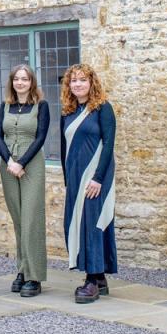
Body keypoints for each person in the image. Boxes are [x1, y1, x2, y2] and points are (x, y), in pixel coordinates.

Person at [59, 63, 116, 303]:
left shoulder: (103, 109)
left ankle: (91, 281)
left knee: (92, 225)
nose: (78, 84)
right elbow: (64, 149)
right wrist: (67, 180)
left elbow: (109, 144)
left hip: (95, 178)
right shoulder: (68, 111)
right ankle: (100, 277)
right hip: (75, 178)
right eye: (73, 81)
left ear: (91, 83)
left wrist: (98, 179)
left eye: (82, 80)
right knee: (75, 224)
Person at [0, 64, 50, 297]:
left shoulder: (41, 106)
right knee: (18, 219)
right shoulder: (6, 105)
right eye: (17, 79)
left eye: (25, 79)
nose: (20, 83)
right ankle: (22, 269)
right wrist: (9, 161)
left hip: (31, 165)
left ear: (31, 82)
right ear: (12, 82)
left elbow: (41, 137)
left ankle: (34, 276)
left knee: (31, 220)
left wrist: (21, 163)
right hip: (8, 167)